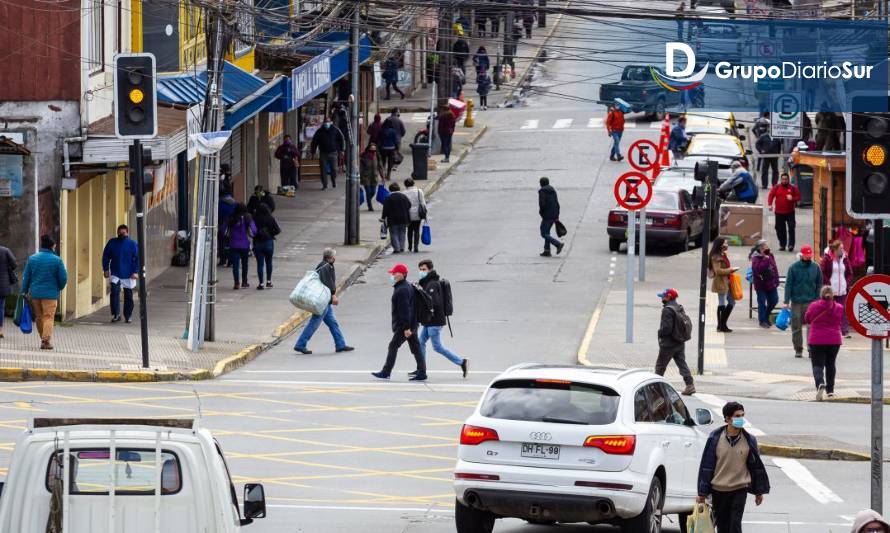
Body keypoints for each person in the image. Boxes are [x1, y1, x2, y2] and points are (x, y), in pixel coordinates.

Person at [697, 401, 770, 532]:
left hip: (739, 489)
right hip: (719, 490)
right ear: (727, 419)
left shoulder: (749, 440)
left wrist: (759, 492)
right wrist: (702, 493)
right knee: (723, 527)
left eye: (742, 415)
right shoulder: (715, 438)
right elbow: (707, 466)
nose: (741, 419)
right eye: (737, 416)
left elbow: (756, 468)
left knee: (735, 526)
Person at [372, 263, 427, 381]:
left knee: (393, 346)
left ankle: (386, 372)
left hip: (405, 325)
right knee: (416, 347)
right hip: (412, 323)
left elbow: (405, 310)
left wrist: (406, 328)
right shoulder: (407, 286)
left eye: (395, 273)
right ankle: (422, 372)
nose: (392, 275)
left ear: (402, 275)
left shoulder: (402, 290)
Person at [293, 248, 354, 354]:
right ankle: (300, 344)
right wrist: (333, 295)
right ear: (331, 257)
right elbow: (327, 283)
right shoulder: (325, 266)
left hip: (325, 301)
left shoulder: (325, 265)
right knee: (314, 323)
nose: (335, 258)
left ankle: (340, 344)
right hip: (323, 301)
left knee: (333, 323)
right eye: (334, 256)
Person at [416, 259, 468, 378]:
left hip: (434, 321)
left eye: (423, 269)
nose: (421, 272)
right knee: (420, 342)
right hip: (429, 321)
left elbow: (434, 303)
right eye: (420, 269)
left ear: (430, 269)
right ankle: (421, 369)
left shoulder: (432, 284)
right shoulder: (427, 282)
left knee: (437, 347)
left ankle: (462, 362)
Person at [21, 235, 68, 350]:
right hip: (50, 294)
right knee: (48, 317)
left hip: (35, 294)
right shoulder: (57, 260)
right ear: (52, 246)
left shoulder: (32, 259)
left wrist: (24, 291)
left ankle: (43, 338)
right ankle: (45, 340)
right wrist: (59, 288)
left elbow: (26, 277)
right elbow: (63, 278)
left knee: (38, 317)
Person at [804, 285, 844, 400]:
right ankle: (830, 391)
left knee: (817, 365)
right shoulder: (839, 307)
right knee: (831, 364)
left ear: (821, 295)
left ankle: (820, 383)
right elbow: (840, 320)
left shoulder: (814, 306)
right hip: (834, 340)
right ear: (832, 295)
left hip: (817, 339)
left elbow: (807, 319)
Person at [654, 288, 695, 395]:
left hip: (668, 344)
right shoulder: (679, 307)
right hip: (680, 342)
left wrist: (660, 333)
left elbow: (666, 328)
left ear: (668, 297)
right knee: (682, 364)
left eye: (663, 296)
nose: (662, 298)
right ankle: (690, 385)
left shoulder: (667, 310)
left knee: (660, 366)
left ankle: (655, 388)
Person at [784, 245, 823, 358]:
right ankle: (798, 349)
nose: (808, 256)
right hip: (796, 301)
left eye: (810, 254)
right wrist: (786, 301)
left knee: (811, 327)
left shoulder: (816, 267)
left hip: (811, 301)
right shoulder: (793, 268)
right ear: (801, 255)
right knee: (796, 327)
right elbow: (788, 285)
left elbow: (819, 284)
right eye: (806, 254)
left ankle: (811, 349)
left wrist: (817, 299)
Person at [101, 224, 139, 324]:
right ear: (117, 232)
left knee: (128, 296)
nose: (121, 234)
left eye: (123, 232)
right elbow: (105, 256)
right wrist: (105, 269)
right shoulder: (112, 243)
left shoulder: (133, 244)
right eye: (120, 232)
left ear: (127, 232)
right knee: (114, 292)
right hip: (115, 272)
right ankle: (116, 314)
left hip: (129, 274)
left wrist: (135, 271)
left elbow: (138, 259)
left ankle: (128, 315)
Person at [820, 240, 853, 337]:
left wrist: (846, 283)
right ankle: (829, 329)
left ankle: (844, 330)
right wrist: (828, 284)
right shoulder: (827, 258)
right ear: (835, 249)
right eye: (840, 248)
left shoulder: (845, 258)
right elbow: (822, 272)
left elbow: (850, 273)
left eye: (843, 248)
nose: (842, 250)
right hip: (831, 290)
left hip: (842, 289)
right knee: (830, 309)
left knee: (842, 309)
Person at [709, 237, 738, 332]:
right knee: (722, 303)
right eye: (725, 243)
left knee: (731, 302)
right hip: (720, 282)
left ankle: (722, 324)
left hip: (728, 281)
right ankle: (721, 326)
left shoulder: (723, 254)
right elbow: (717, 271)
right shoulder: (715, 257)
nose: (727, 245)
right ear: (721, 245)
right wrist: (730, 270)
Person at [767, 172, 801, 251]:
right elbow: (771, 195)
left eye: (786, 179)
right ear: (781, 179)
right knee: (779, 229)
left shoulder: (793, 188)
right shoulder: (777, 187)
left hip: (790, 212)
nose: (784, 180)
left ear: (788, 179)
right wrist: (770, 204)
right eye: (783, 179)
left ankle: (791, 245)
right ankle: (782, 244)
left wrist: (792, 198)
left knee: (791, 227)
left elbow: (799, 197)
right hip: (779, 212)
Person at [750, 240, 780, 328]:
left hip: (771, 282)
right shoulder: (755, 258)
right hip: (761, 284)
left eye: (766, 245)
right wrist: (765, 259)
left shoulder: (770, 255)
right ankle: (762, 320)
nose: (766, 247)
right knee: (762, 302)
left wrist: (776, 280)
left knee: (774, 300)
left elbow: (774, 267)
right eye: (763, 246)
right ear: (759, 248)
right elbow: (758, 269)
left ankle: (766, 315)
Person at [225, 203, 256, 290]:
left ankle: (236, 283)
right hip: (244, 244)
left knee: (235, 265)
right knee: (245, 264)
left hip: (233, 244)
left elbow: (224, 229)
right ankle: (244, 282)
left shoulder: (232, 217)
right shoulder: (248, 217)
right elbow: (254, 230)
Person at [310, 116, 345, 190]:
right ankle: (324, 185)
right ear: (323, 123)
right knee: (323, 170)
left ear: (330, 122)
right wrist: (312, 152)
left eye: (328, 122)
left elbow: (342, 139)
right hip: (323, 153)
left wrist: (342, 150)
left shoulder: (335, 130)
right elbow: (314, 142)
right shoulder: (319, 131)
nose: (327, 123)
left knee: (334, 169)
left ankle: (333, 180)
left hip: (333, 153)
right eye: (325, 122)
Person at [252, 204, 280, 290]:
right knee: (269, 262)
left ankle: (261, 283)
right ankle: (269, 281)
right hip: (268, 242)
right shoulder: (271, 218)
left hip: (258, 242)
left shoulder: (255, 219)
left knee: (260, 264)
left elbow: (252, 230)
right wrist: (271, 234)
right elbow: (278, 230)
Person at [538, 177, 564, 257]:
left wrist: (541, 213)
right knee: (547, 232)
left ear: (541, 183)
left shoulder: (542, 191)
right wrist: (557, 214)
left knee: (543, 233)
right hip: (554, 214)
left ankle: (558, 244)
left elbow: (542, 204)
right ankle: (547, 250)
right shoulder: (553, 190)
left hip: (547, 216)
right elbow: (557, 203)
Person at [382, 182, 411, 253]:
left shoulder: (388, 198)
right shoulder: (403, 196)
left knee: (393, 233)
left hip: (392, 219)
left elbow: (385, 209)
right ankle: (401, 247)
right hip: (403, 218)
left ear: (390, 190)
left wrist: (383, 217)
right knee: (402, 233)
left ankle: (396, 248)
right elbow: (409, 205)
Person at [404, 178, 427, 253]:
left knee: (409, 230)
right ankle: (416, 246)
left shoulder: (404, 193)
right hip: (417, 213)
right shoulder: (418, 191)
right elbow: (423, 203)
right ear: (413, 183)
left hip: (408, 214)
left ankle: (410, 246)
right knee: (416, 230)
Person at [0, 243, 18, 339]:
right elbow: (14, 264)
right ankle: (0, 330)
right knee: (1, 307)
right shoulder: (5, 250)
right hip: (2, 284)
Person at [360, 144, 382, 212]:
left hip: (374, 177)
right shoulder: (364, 157)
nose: (373, 151)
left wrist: (382, 176)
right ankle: (370, 206)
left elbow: (380, 166)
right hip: (366, 177)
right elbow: (361, 168)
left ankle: (368, 200)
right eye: (371, 150)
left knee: (373, 192)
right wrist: (360, 177)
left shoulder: (377, 157)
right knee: (368, 192)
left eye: (374, 150)